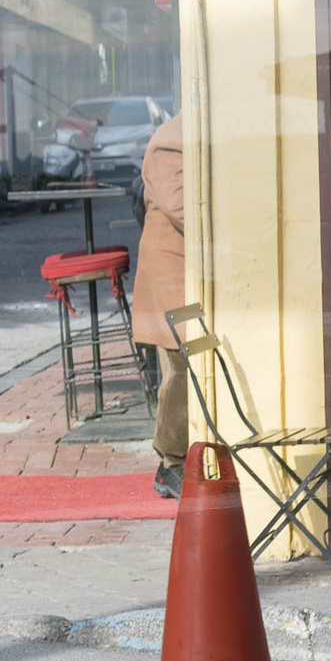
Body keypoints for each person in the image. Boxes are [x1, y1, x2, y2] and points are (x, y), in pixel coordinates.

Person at [129, 111, 187, 498]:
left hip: (188, 271)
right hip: (171, 273)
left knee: (188, 366)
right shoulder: (171, 140)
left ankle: (180, 458)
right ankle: (171, 463)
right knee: (182, 367)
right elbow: (181, 206)